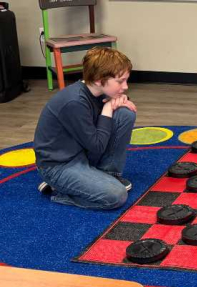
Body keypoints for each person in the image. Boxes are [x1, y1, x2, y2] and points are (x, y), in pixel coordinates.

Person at [34, 47, 137, 210]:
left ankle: (108, 174)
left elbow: (99, 131)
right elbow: (97, 146)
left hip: (80, 152)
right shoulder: (74, 102)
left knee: (125, 114)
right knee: (116, 196)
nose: (125, 86)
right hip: (59, 165)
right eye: (120, 81)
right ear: (98, 79)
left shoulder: (96, 90)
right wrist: (108, 108)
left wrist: (120, 99)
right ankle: (59, 190)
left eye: (126, 80)